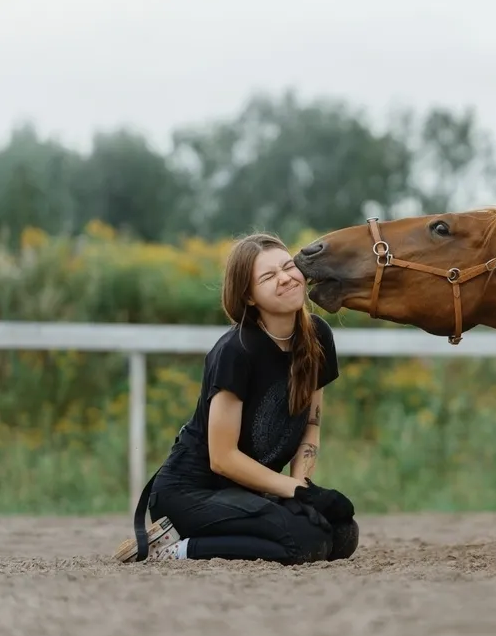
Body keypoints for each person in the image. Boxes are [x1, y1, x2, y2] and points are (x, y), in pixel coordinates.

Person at [112, 233, 359, 564]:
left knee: (342, 534)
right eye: (268, 277)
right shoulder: (236, 351)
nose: (285, 278)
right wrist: (296, 492)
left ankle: (224, 534)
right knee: (304, 541)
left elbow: (310, 429)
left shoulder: (317, 338)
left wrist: (304, 491)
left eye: (289, 267)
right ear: (250, 296)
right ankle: (175, 548)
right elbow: (222, 458)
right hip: (190, 492)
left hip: (243, 492)